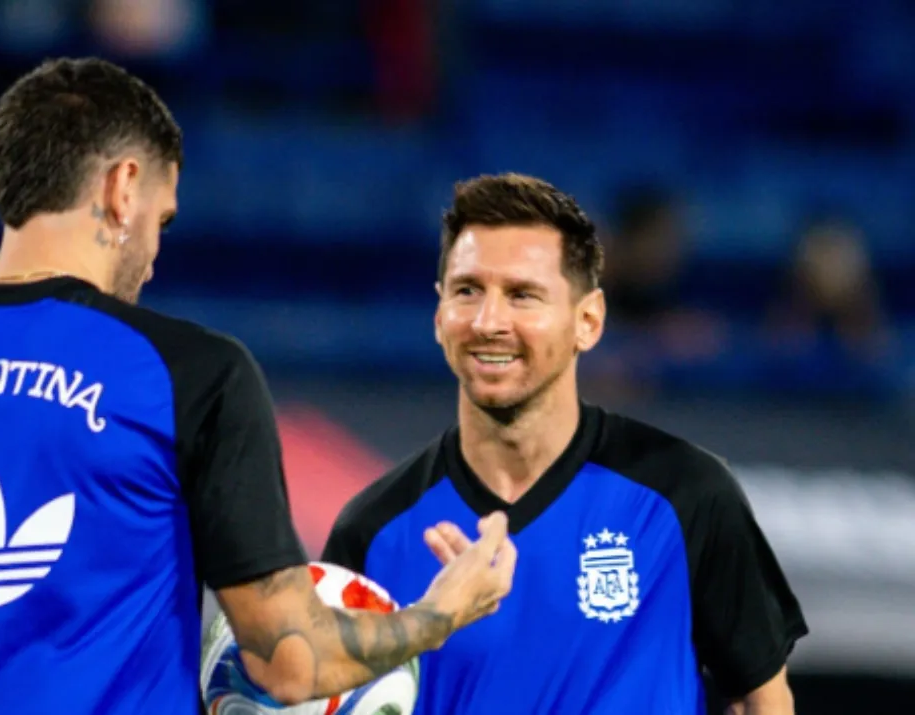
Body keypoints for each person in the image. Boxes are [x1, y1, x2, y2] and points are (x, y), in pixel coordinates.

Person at [0, 57, 517, 715]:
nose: (153, 254)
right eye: (162, 219)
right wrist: (441, 610)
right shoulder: (186, 373)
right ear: (123, 188)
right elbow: (289, 658)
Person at [322, 173, 807, 714]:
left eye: (522, 295)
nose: (488, 321)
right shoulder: (373, 531)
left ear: (589, 320)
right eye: (467, 291)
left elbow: (758, 701)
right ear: (439, 317)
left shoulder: (686, 495)